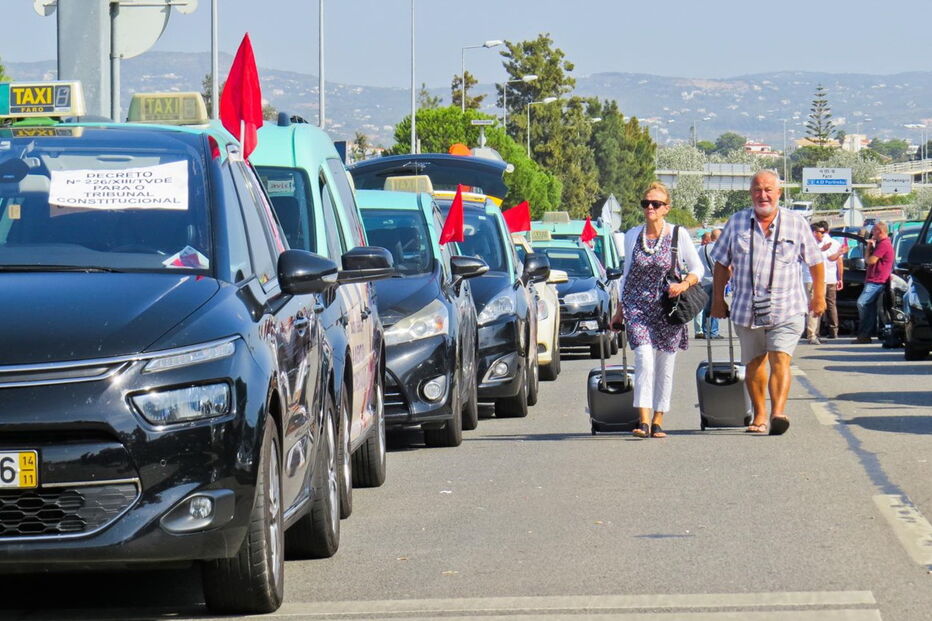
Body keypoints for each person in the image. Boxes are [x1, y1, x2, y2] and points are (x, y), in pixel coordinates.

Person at [710, 171, 825, 435]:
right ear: (751, 193)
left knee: (780, 358)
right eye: (757, 190)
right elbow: (721, 264)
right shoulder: (737, 222)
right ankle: (760, 414)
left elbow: (816, 262)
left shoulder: (796, 223)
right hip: (746, 307)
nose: (763, 195)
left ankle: (778, 413)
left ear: (779, 193)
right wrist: (717, 300)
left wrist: (818, 296)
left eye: (769, 190)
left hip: (787, 306)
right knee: (754, 363)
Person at [612, 181, 703, 438]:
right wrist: (619, 310)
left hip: (668, 308)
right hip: (637, 305)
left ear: (666, 208)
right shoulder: (633, 235)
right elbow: (626, 274)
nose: (650, 207)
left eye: (656, 204)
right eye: (646, 203)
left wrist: (683, 284)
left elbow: (698, 269)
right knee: (644, 358)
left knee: (665, 363)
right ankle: (643, 420)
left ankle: (658, 419)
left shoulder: (677, 235)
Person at [854, 221, 893, 344]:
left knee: (862, 303)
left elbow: (870, 261)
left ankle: (865, 333)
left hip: (877, 281)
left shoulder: (884, 244)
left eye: (874, 230)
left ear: (880, 231)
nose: (872, 233)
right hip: (873, 279)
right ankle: (865, 335)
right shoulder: (881, 243)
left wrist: (868, 249)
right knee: (869, 307)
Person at [805, 221, 844, 343]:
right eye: (821, 232)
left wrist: (838, 253)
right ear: (814, 233)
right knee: (814, 306)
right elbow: (807, 258)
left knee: (821, 306)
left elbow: (831, 259)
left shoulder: (823, 244)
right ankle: (812, 335)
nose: (823, 234)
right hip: (811, 279)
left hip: (822, 279)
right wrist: (822, 249)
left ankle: (816, 334)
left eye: (824, 232)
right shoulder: (809, 243)